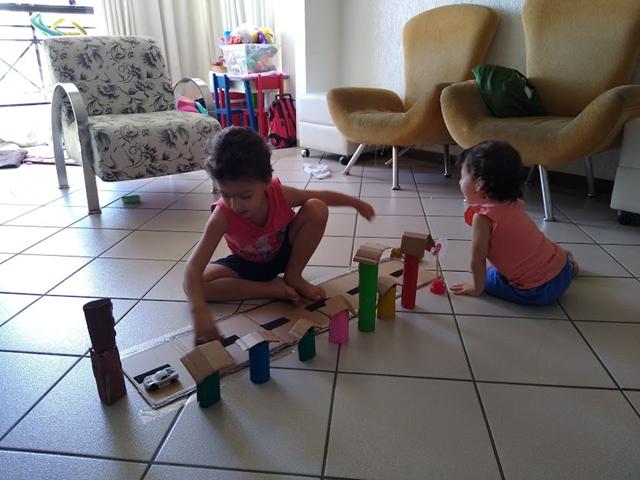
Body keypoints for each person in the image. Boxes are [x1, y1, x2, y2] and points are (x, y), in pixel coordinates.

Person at [184, 127, 375, 344]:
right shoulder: (221, 216)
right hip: (246, 264)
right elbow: (193, 267)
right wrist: (199, 311)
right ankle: (271, 289)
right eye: (225, 194)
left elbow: (319, 196)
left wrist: (355, 203)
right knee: (194, 285)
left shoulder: (278, 194)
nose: (235, 205)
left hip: (285, 253)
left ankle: (294, 276)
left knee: (317, 207)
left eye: (246, 196)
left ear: (266, 182)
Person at [450, 140, 578, 304]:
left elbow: (478, 259)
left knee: (489, 277)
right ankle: (569, 265)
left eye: (462, 177)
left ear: (479, 184)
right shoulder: (514, 203)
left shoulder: (483, 218)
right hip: (562, 270)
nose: (460, 182)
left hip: (537, 290)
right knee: (539, 251)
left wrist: (477, 288)